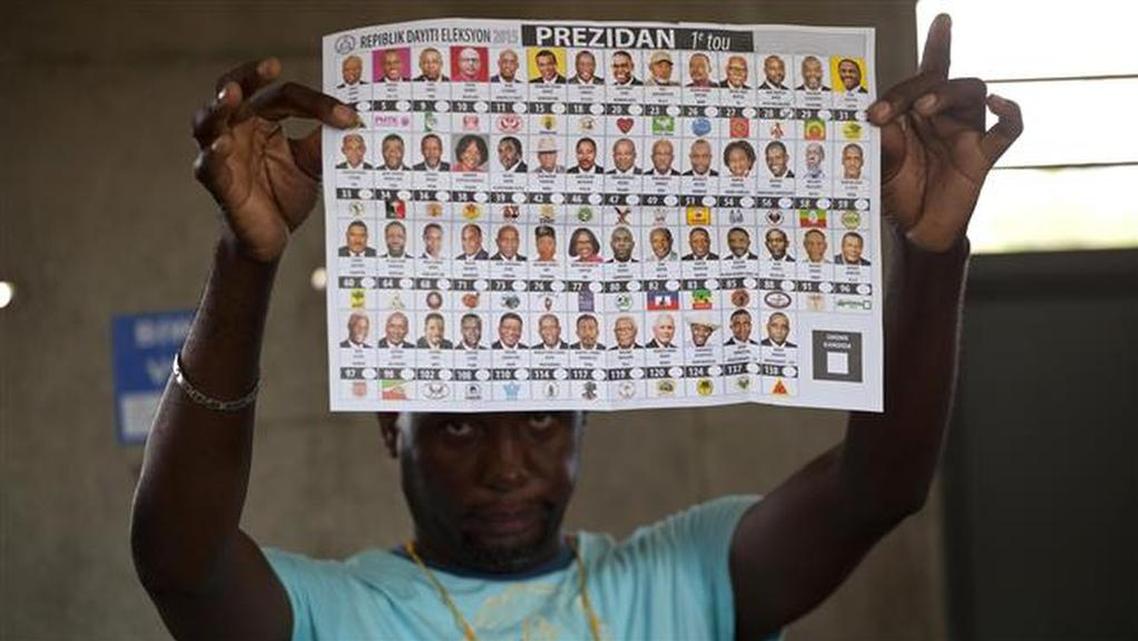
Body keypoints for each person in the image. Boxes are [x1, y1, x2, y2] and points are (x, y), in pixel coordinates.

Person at [137, 16, 1023, 640]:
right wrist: (245, 261)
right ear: (386, 423)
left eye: (542, 417)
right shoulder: (338, 611)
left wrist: (933, 252)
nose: (508, 465)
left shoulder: (684, 579)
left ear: (588, 412)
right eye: (453, 424)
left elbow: (881, 489)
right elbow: (181, 561)